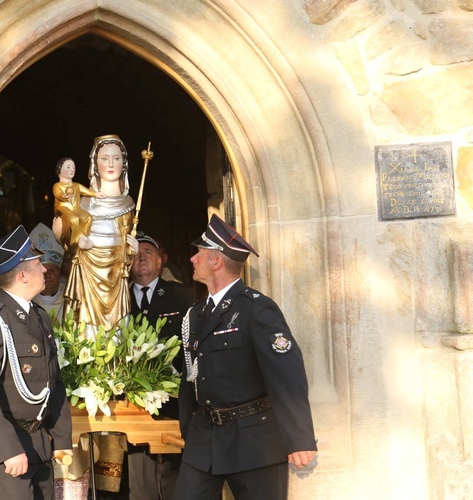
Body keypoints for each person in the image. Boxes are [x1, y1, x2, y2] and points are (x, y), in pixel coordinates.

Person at [175, 214, 317, 500]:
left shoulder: (257, 309)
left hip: (254, 440)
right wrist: (188, 429)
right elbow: (191, 376)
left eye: (199, 254)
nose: (192, 259)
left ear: (216, 261)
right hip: (205, 439)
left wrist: (299, 437)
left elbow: (286, 373)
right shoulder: (196, 313)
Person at [0, 225, 73, 499]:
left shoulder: (38, 315)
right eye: (37, 264)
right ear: (22, 274)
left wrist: (61, 439)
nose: (45, 269)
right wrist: (7, 449)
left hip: (37, 443)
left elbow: (52, 381)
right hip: (5, 449)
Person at [127, 232, 197, 500]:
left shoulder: (182, 295)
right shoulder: (117, 299)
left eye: (148, 252)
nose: (141, 257)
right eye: (135, 253)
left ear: (161, 260)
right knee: (139, 481)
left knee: (174, 477)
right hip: (132, 406)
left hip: (174, 401)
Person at [60, 134, 138, 331]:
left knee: (119, 334)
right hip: (88, 274)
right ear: (95, 163)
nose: (111, 164)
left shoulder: (128, 205)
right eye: (104, 158)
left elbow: (127, 249)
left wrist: (131, 251)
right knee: (88, 331)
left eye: (117, 158)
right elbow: (68, 244)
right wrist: (76, 242)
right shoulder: (83, 202)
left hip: (116, 278)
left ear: (124, 163)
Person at [52, 157, 104, 254]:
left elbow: (87, 191)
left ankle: (83, 238)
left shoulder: (76, 185)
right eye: (68, 167)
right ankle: (73, 243)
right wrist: (64, 195)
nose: (72, 169)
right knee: (73, 219)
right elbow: (58, 194)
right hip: (63, 208)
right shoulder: (57, 186)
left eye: (73, 167)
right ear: (60, 170)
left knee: (88, 218)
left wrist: (96, 194)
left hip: (75, 208)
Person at [30, 223, 67, 324]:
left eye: (52, 271)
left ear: (59, 272)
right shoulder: (27, 300)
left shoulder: (70, 299)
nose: (47, 275)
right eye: (43, 271)